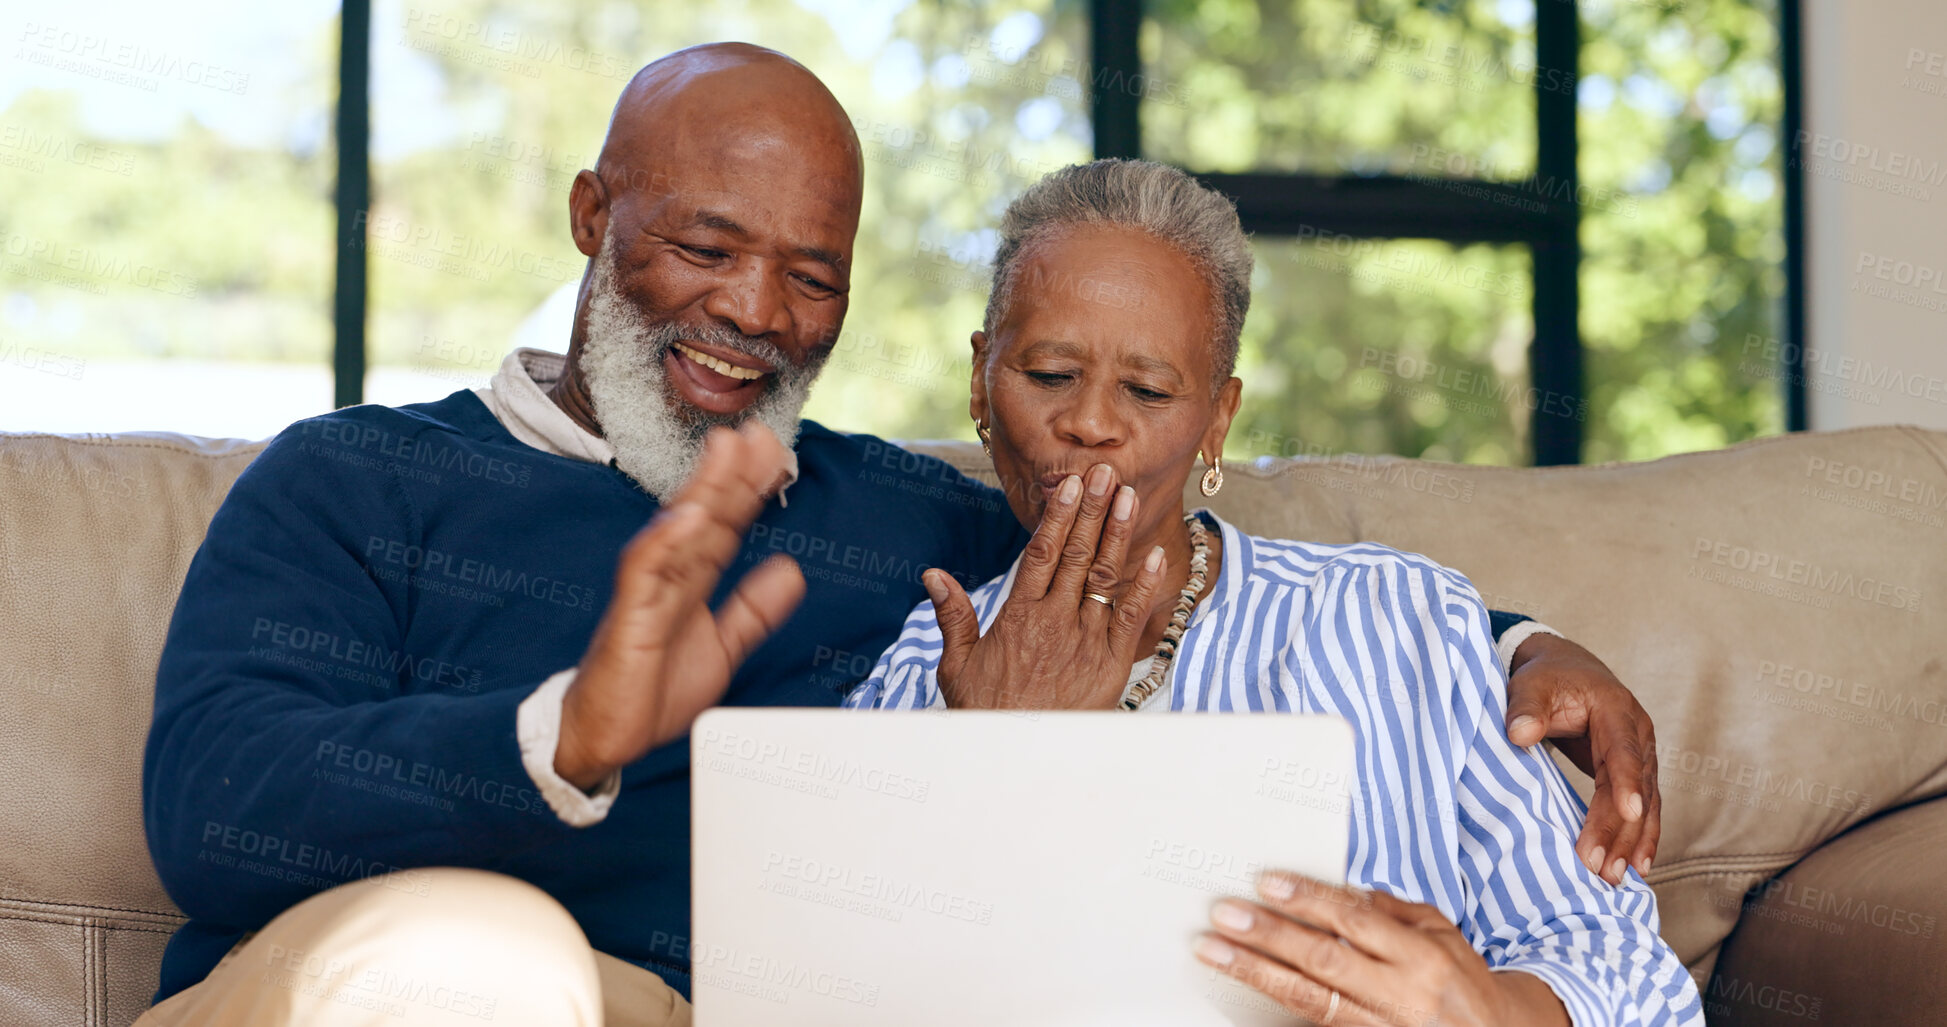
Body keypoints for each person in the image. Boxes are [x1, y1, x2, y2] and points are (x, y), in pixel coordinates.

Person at [138, 44, 1661, 1027]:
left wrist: (1515, 642)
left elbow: (1174, 544)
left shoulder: (912, 527)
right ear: (592, 211)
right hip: (400, 981)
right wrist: (562, 737)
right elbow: (212, 807)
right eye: (702, 245)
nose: (752, 311)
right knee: (480, 968)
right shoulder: (363, 477)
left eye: (810, 270)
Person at [844, 159, 1705, 1026]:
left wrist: (1485, 1009)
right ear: (979, 383)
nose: (1092, 423)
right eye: (1048, 374)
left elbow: (1628, 971)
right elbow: (833, 978)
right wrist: (991, 760)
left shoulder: (1391, 620)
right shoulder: (923, 664)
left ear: (1216, 419)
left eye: (1146, 389)